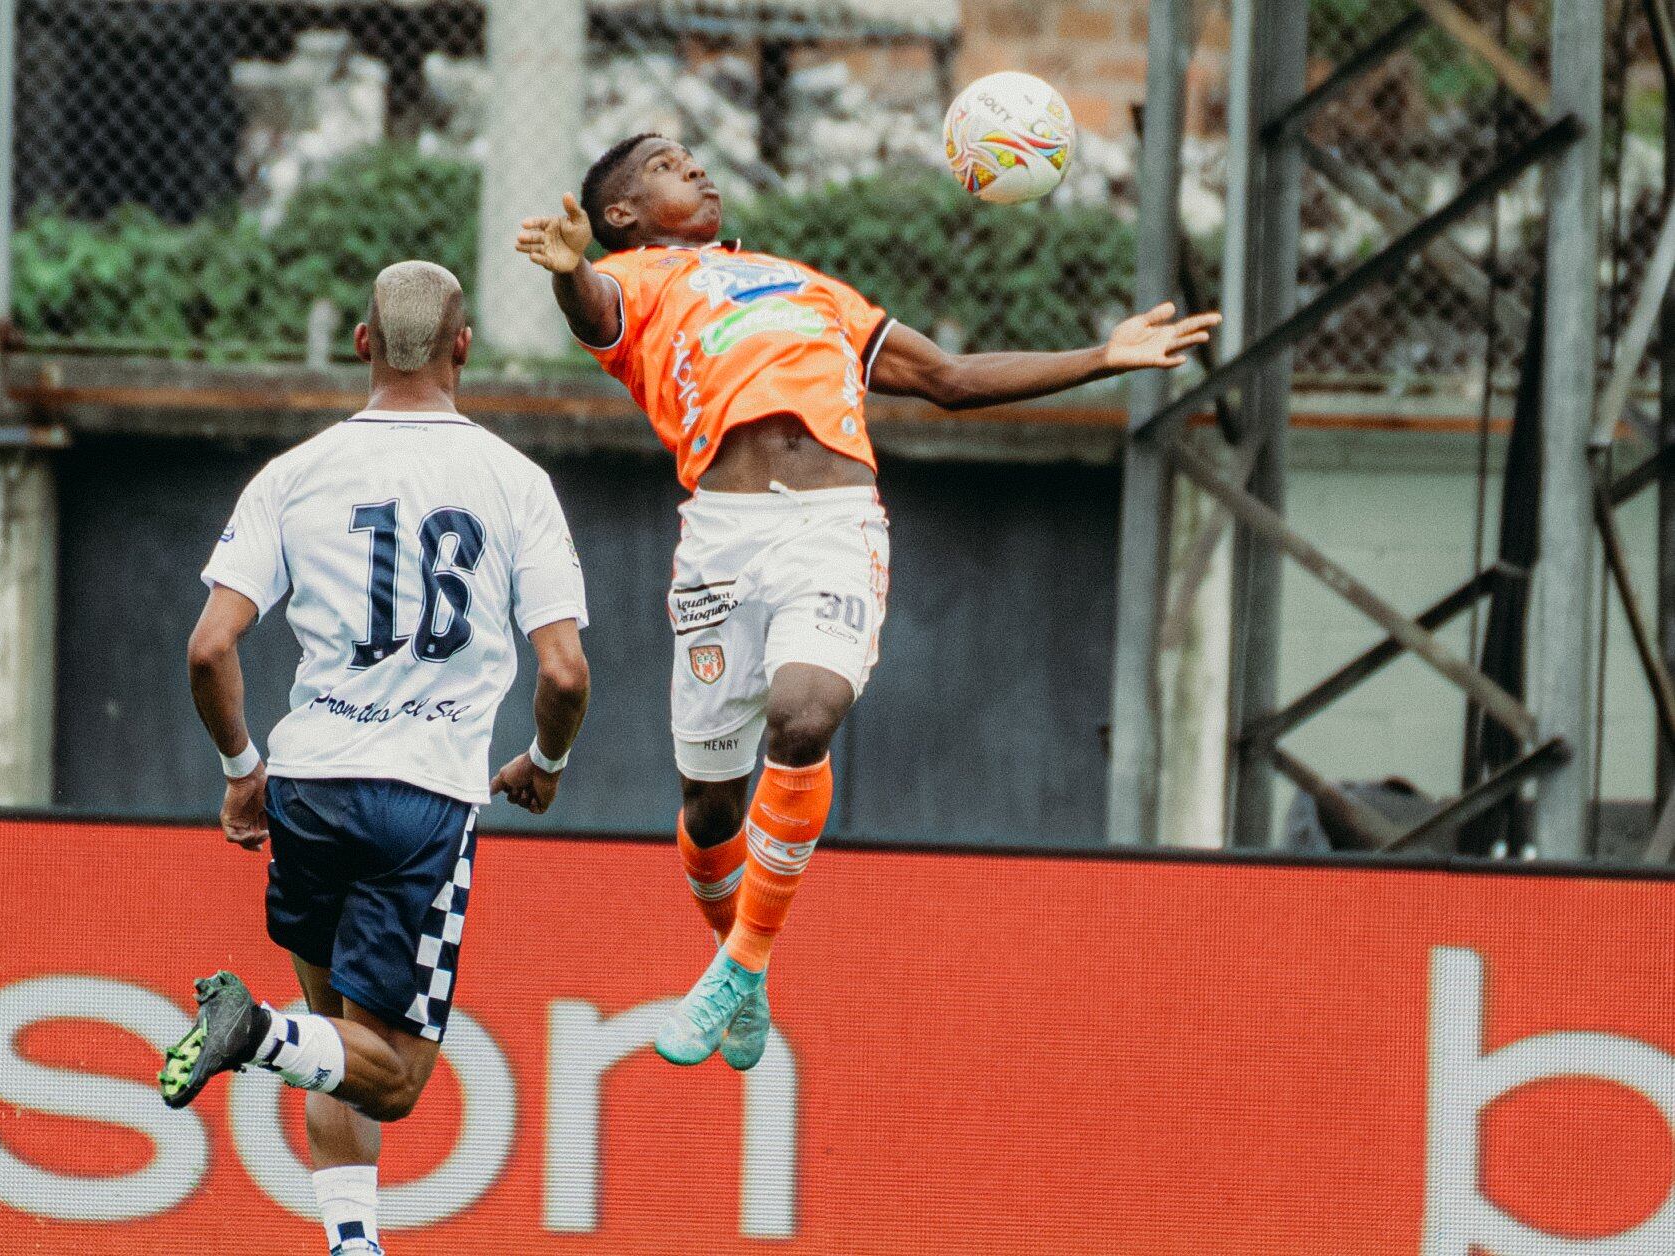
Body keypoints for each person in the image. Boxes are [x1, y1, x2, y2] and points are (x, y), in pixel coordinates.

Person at [515, 133, 1217, 1070]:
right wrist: (570, 274)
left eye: (696, 157)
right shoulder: (636, 281)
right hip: (721, 545)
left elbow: (950, 381)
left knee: (804, 722)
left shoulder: (810, 287)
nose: (698, 167)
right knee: (710, 806)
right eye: (668, 165)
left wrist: (1103, 356)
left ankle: (742, 961)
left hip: (833, 527)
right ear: (621, 217)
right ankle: (745, 971)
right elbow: (592, 305)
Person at [157, 260, 591, 1256]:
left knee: (337, 1047)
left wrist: (240, 768)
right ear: (463, 347)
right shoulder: (515, 482)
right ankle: (250, 1031)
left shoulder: (293, 474)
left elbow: (208, 646)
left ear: (361, 345)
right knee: (391, 1076)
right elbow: (564, 670)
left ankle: (353, 1241)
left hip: (309, 783)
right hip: (424, 799)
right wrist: (543, 757)